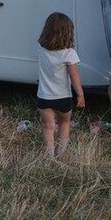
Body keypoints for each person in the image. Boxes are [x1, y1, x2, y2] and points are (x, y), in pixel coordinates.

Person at [35, 12, 85, 158]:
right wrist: (80, 95)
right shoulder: (69, 53)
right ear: (68, 32)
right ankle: (61, 155)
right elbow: (74, 77)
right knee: (64, 124)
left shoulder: (41, 50)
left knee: (48, 127)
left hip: (44, 97)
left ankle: (49, 156)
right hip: (63, 98)